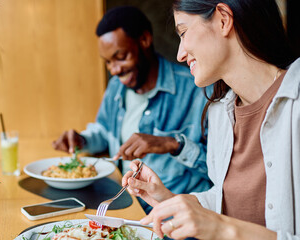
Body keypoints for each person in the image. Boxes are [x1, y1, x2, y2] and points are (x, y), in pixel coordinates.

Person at [122, 0, 300, 239]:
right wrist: (169, 200)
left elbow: (225, 226)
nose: (180, 53)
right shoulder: (220, 112)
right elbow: (228, 203)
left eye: (183, 33)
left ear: (224, 19)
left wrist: (221, 229)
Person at [52, 6, 212, 213]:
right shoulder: (117, 86)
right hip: (125, 207)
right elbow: (104, 131)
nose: (115, 70)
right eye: (108, 62)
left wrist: (173, 144)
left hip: (175, 218)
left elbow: (219, 170)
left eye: (121, 56)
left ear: (144, 40)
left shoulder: (197, 89)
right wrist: (83, 140)